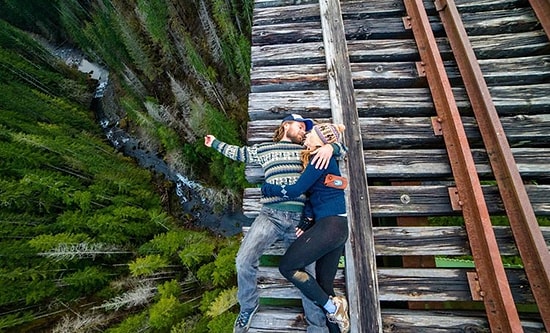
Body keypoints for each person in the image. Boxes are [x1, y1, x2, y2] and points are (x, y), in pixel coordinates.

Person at [204, 114, 345, 333]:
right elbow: (240, 153)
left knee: (307, 273)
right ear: (285, 125)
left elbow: (340, 151)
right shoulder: (264, 149)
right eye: (300, 127)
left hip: (300, 221)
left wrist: (332, 148)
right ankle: (248, 306)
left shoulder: (308, 152)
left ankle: (318, 327)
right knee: (243, 259)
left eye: (306, 130)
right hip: (270, 215)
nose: (303, 132)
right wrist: (215, 143)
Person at [260, 123, 350, 333]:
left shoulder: (319, 158)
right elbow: (314, 195)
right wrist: (307, 219)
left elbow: (296, 190)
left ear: (319, 140)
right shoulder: (323, 156)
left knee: (288, 267)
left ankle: (332, 306)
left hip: (330, 226)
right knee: (325, 286)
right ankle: (335, 321)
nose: (306, 136)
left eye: (309, 134)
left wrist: (268, 188)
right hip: (338, 228)